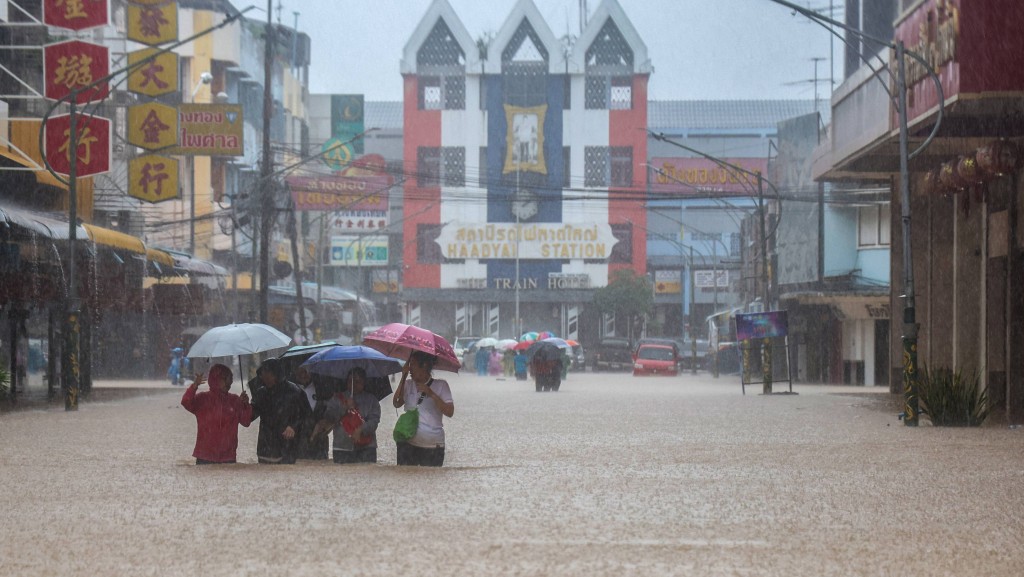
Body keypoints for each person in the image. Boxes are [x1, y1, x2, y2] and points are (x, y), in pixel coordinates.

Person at [180, 364, 252, 464]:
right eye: (225, 379)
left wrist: (245, 405)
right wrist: (194, 386)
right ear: (216, 379)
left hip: (228, 457)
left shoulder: (235, 400)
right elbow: (185, 402)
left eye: (230, 379)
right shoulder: (203, 399)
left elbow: (246, 421)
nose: (229, 383)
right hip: (205, 457)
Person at [392, 350, 454, 467]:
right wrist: (403, 376)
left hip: (433, 446)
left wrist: (431, 393)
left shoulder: (441, 385)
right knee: (405, 476)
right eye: (409, 365)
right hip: (408, 444)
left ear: (424, 366)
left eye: (413, 365)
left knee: (430, 478)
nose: (410, 369)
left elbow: (450, 412)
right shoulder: (408, 384)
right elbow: (396, 403)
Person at [316, 367, 382, 464]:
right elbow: (329, 417)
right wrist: (344, 408)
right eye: (350, 381)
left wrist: (360, 430)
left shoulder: (372, 400)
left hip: (366, 448)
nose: (353, 384)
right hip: (342, 447)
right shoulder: (336, 398)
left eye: (357, 381)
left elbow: (374, 421)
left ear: (364, 382)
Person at [249, 358, 307, 464]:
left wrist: (293, 426)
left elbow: (306, 416)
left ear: (274, 374)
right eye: (262, 373)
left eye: (265, 372)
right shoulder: (261, 393)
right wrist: (244, 405)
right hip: (265, 449)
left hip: (288, 450)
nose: (262, 376)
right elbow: (250, 416)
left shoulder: (295, 392)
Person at [293, 366, 329, 460]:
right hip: (298, 442)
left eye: (305, 371)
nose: (303, 375)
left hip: (320, 442)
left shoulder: (322, 388)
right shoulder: (291, 390)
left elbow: (330, 413)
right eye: (300, 372)